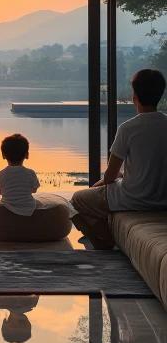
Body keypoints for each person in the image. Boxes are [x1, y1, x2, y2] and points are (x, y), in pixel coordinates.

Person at [71, 68, 167, 249]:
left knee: (76, 201)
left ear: (134, 96)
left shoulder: (128, 128)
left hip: (132, 198)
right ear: (160, 96)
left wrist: (97, 186)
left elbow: (110, 176)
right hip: (161, 199)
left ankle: (103, 243)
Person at [0, 134, 40, 216]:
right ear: (26, 155)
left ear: (3, 155)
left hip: (7, 206)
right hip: (29, 207)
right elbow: (34, 190)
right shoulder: (30, 173)